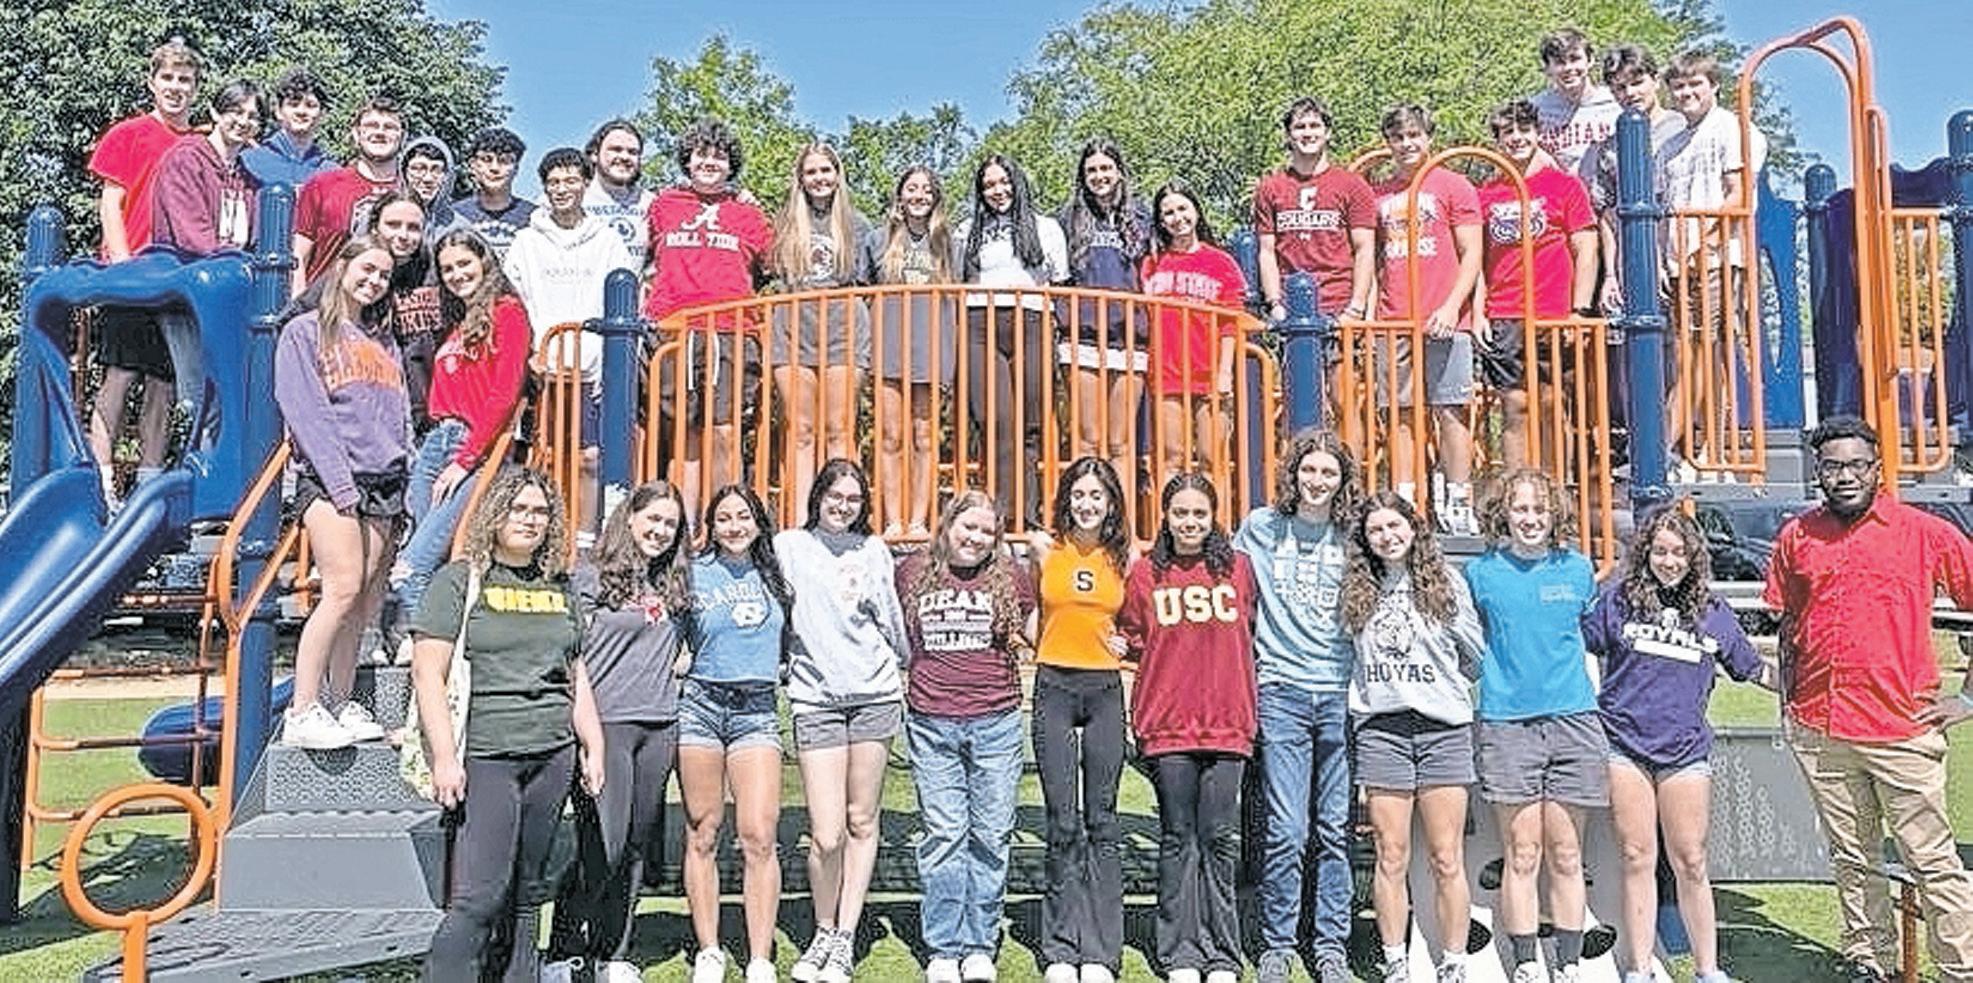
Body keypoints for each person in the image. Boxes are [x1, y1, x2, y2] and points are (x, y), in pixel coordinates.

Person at [1766, 415, 1973, 983]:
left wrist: (1968, 699)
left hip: (1903, 728)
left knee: (1932, 861)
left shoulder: (1924, 532)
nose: (1846, 476)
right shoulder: (1797, 536)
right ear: (1818, 471)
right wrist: (1789, 709)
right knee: (1853, 858)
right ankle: (1869, 962)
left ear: (1878, 468)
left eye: (1857, 464)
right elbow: (1788, 624)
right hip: (1821, 729)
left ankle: (1961, 969)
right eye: (1833, 466)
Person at [413, 468, 606, 983]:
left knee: (527, 894)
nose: (530, 520)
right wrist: (444, 759)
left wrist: (593, 743)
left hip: (553, 753)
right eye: (518, 509)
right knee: (479, 896)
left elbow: (575, 671)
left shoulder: (559, 584)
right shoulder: (459, 580)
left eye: (540, 511)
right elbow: (428, 674)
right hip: (487, 755)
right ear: (495, 514)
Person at [1585, 507, 1771, 983]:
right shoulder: (1618, 601)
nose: (1669, 561)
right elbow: (1579, 646)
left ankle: (1708, 970)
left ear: (1694, 557)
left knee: (1690, 859)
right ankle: (1640, 968)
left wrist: (1809, 687)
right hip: (1624, 746)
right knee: (1637, 857)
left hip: (1685, 751)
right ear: (1645, 554)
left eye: (1679, 553)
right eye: (1660, 552)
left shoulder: (1712, 611)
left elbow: (1753, 669)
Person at [543, 482, 691, 983]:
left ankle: (614, 951)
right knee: (602, 843)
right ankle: (563, 948)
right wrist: (585, 733)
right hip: (604, 725)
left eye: (670, 524)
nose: (660, 531)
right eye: (653, 519)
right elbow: (569, 654)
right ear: (630, 517)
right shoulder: (589, 578)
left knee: (634, 846)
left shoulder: (674, 583)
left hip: (659, 724)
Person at [1464, 468, 1604, 983]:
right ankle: (1526, 962)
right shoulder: (1480, 574)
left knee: (1566, 852)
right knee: (1522, 852)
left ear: (1554, 514)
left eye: (1539, 510)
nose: (1530, 519)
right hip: (1507, 724)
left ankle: (1567, 964)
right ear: (1504, 513)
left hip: (1573, 721)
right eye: (1520, 509)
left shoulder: (1578, 570)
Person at [272, 236, 412, 750]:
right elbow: (305, 410)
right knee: (341, 589)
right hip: (333, 479)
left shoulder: (383, 342)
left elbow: (397, 415)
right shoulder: (305, 332)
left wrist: (405, 469)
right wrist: (338, 482)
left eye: (384, 276)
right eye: (367, 269)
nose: (374, 281)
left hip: (384, 479)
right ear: (342, 266)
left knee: (363, 601)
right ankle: (302, 708)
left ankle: (339, 700)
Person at [1341, 492, 1486, 983]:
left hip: (1442, 729)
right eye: (1376, 530)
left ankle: (1454, 962)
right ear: (1366, 539)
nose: (1387, 536)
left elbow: (1474, 654)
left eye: (1394, 526)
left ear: (1413, 527)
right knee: (1391, 853)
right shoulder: (1358, 587)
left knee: (1446, 855)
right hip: (1383, 729)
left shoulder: (1446, 580)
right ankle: (1395, 961)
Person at [1120, 472, 1258, 983]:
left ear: (1214, 516)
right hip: (1168, 726)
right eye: (1181, 513)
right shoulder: (1145, 574)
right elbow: (1131, 639)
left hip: (1227, 724)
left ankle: (1222, 953)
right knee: (1178, 837)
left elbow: (1253, 632)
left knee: (1218, 838)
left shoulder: (1239, 569)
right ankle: (1179, 952)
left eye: (1200, 513)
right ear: (1166, 516)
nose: (1190, 522)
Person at [1234, 431, 1361, 983]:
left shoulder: (1354, 534)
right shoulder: (1261, 528)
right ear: (1293, 473)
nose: (1317, 481)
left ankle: (1330, 944)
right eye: (1309, 470)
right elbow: (1226, 584)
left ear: (1343, 480)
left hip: (1339, 692)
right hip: (1282, 690)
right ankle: (1278, 943)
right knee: (1287, 829)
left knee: (1334, 828)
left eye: (1329, 472)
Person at [777, 459, 909, 983]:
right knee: (826, 832)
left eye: (854, 499)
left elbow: (891, 618)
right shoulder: (790, 547)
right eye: (836, 496)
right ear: (818, 496)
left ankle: (843, 937)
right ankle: (823, 927)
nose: (844, 506)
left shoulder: (873, 549)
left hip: (874, 695)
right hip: (816, 699)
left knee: (861, 819)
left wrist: (904, 663)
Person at [897, 491, 1036, 983]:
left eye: (986, 531)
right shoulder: (912, 570)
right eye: (968, 527)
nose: (975, 538)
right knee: (944, 835)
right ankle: (943, 946)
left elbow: (1034, 630)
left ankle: (978, 944)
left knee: (991, 835)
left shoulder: (1010, 575)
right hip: (932, 720)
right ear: (948, 524)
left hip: (995, 720)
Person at [391, 229, 532, 654]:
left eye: (464, 264)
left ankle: (430, 656)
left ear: (484, 262)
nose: (456, 274)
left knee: (411, 568)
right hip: (435, 442)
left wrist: (467, 459)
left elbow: (503, 394)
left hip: (470, 445)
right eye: (447, 269)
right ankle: (421, 648)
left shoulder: (508, 313)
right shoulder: (457, 323)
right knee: (426, 554)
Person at [677, 484, 792, 983]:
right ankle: (709, 949)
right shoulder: (693, 572)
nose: (734, 526)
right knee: (703, 831)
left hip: (757, 711)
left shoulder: (778, 572)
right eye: (723, 518)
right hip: (702, 706)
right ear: (711, 525)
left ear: (759, 522)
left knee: (758, 834)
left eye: (743, 516)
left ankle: (760, 957)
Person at [1029, 457, 1134, 983]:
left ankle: (1100, 950)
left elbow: (1135, 624)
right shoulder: (1043, 548)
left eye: (1096, 495)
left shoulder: (1127, 556)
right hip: (1054, 685)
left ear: (1111, 502)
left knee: (1102, 819)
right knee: (1062, 820)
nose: (1087, 504)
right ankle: (1060, 948)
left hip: (1104, 691)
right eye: (1078, 495)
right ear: (1066, 500)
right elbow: (1034, 613)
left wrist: (1127, 642)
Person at [86, 38, 201, 506]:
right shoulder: (129, 133)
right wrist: (122, 264)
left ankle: (149, 486)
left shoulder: (199, 144)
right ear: (152, 83)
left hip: (176, 277)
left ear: (196, 88)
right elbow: (111, 201)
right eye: (167, 78)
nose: (176, 87)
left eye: (185, 80)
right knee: (120, 373)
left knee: (164, 383)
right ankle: (101, 482)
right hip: (132, 272)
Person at [504, 147, 637, 540]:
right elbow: (513, 301)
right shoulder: (526, 241)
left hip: (593, 368)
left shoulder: (608, 240)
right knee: (543, 454)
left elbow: (624, 298)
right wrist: (530, 355)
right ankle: (547, 533)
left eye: (570, 180)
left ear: (585, 184)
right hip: (545, 366)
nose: (562, 189)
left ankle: (586, 536)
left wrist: (608, 363)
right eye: (554, 182)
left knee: (590, 457)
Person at [645, 118, 774, 503]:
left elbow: (771, 267)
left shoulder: (748, 214)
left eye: (719, 156)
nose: (709, 163)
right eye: (702, 154)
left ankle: (725, 516)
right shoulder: (663, 205)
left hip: (732, 329)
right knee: (683, 432)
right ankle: (684, 520)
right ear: (687, 160)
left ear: (730, 166)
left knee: (724, 430)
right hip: (675, 328)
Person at [1370, 104, 1484, 530]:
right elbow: (1373, 260)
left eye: (1414, 135)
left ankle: (1458, 499)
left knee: (1451, 409)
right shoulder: (1380, 195)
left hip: (1444, 316)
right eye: (1398, 137)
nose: (1407, 144)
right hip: (1393, 317)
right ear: (1388, 143)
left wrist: (1453, 305)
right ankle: (1406, 497)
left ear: (1429, 137)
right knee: (1398, 411)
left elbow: (1472, 252)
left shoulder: (1453, 185)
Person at [1657, 49, 1769, 477]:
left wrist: (1706, 243)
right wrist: (1667, 257)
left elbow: (1737, 194)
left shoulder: (1731, 129)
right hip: (1678, 264)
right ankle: (1692, 445)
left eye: (1694, 84)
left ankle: (1703, 448)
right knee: (1688, 352)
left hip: (1718, 259)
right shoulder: (1670, 145)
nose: (1686, 93)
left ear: (1713, 86)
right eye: (1678, 86)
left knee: (1709, 348)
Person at [1475, 99, 1598, 471]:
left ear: (1537, 133)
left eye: (1524, 130)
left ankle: (1555, 488)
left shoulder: (1564, 186)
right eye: (1507, 132)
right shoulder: (1486, 193)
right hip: (1504, 311)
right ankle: (1517, 486)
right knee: (1515, 404)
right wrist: (1479, 311)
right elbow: (1476, 259)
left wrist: (1579, 310)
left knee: (1551, 402)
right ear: (1497, 140)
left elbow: (1586, 248)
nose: (1516, 138)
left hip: (1552, 312)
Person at [955, 154, 1068, 525]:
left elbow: (1058, 280)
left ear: (1017, 183)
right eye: (989, 184)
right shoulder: (966, 230)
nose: (997, 190)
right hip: (980, 324)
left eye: (1004, 182)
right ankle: (1001, 518)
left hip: (1032, 321)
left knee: (1031, 424)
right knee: (996, 420)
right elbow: (958, 278)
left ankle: (1026, 516)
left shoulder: (1046, 227)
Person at [770, 142, 877, 512]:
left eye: (825, 170)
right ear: (800, 178)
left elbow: (869, 280)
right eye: (811, 171)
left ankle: (844, 511)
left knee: (839, 428)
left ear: (837, 174)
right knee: (800, 429)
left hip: (843, 328)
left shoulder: (857, 224)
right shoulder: (785, 223)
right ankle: (802, 515)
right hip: (793, 327)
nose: (819, 178)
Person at [149, 79, 264, 407]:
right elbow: (193, 235)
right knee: (197, 398)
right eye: (235, 111)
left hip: (230, 299)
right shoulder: (185, 160)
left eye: (253, 116)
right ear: (215, 112)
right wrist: (242, 266)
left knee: (229, 397)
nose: (243, 121)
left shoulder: (248, 179)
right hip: (188, 297)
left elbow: (255, 239)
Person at [1057, 139, 1153, 496]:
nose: (1099, 176)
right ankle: (1086, 509)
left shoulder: (1141, 217)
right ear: (1083, 177)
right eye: (1092, 170)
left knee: (1120, 441)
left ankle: (1119, 516)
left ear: (1119, 172)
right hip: (1082, 335)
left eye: (1106, 168)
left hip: (1129, 336)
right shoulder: (1068, 218)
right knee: (1088, 438)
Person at [870, 164, 958, 537]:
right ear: (900, 195)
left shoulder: (949, 242)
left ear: (935, 197)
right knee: (890, 436)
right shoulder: (879, 239)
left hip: (932, 345)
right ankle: (893, 520)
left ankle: (920, 520)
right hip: (889, 344)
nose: (919, 196)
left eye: (926, 190)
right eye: (912, 188)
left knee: (925, 436)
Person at [1140, 179, 1245, 484]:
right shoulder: (1151, 264)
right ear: (1161, 222)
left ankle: (1216, 515)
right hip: (1166, 371)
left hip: (1209, 371)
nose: (1178, 218)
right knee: (1172, 458)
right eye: (1168, 213)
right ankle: (1169, 515)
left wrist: (1224, 372)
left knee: (1213, 459)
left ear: (1196, 210)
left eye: (1183, 208)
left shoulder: (1221, 262)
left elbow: (1230, 323)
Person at [1252, 95, 1377, 325]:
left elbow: (1364, 249)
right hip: (1291, 309)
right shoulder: (1270, 188)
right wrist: (1275, 304)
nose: (1308, 133)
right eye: (1300, 127)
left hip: (1338, 307)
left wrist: (1355, 309)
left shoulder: (1353, 185)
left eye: (1314, 126)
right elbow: (1267, 251)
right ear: (1288, 135)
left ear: (1327, 132)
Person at [1582, 45, 1682, 316]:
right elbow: (1607, 214)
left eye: (1637, 83)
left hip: (1681, 255)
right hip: (1635, 262)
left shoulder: (1683, 129)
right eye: (1620, 88)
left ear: (1656, 80)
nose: (1630, 93)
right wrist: (1610, 275)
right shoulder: (1610, 148)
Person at [293, 93, 404, 293]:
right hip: (326, 303)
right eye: (371, 125)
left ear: (402, 136)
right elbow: (298, 256)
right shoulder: (322, 185)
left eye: (389, 127)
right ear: (356, 133)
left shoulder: (410, 194)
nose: (380, 133)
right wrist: (298, 304)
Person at [1530, 28, 1622, 177]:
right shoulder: (1535, 109)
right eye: (1559, 62)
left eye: (1575, 59)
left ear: (1590, 60)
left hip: (1609, 188)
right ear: (1547, 68)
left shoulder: (1617, 103)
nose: (1568, 68)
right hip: (1560, 189)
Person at [240, 67, 335, 191]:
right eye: (293, 104)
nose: (301, 111)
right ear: (278, 111)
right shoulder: (249, 163)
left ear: (322, 114)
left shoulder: (331, 173)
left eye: (310, 105)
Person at [584, 119, 657, 268]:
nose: (625, 157)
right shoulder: (571, 198)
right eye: (616, 149)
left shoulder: (652, 203)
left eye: (633, 152)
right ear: (594, 154)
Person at [453, 127, 535, 258]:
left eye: (504, 161)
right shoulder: (453, 216)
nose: (494, 168)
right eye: (486, 159)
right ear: (473, 165)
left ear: (516, 168)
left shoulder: (535, 217)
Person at [403, 136, 470, 243]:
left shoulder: (459, 227)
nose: (428, 179)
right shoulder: (387, 217)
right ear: (404, 172)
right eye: (419, 169)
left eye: (436, 170)